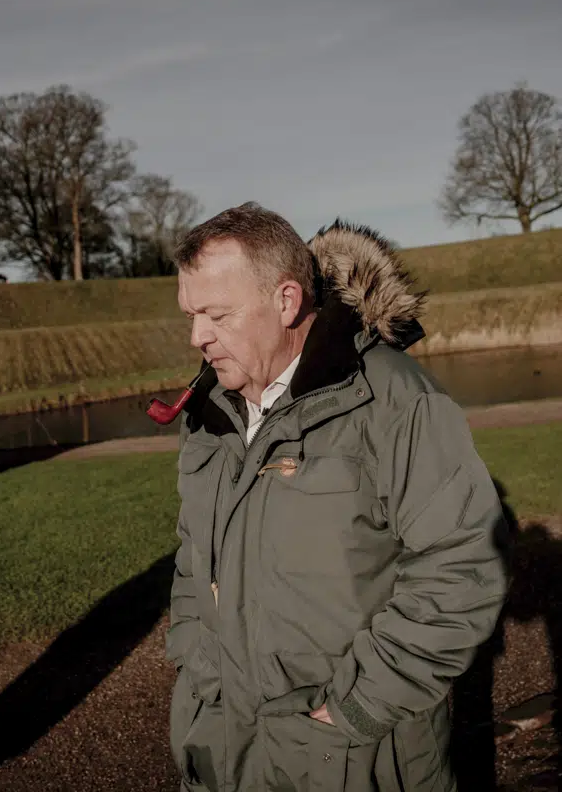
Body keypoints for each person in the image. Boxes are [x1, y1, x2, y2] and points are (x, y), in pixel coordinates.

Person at [167, 203, 509, 791]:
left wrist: (355, 706)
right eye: (191, 314)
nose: (198, 336)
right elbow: (192, 556)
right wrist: (195, 663)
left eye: (216, 314)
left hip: (351, 754)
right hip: (226, 746)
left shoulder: (393, 400)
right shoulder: (208, 412)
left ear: (286, 300)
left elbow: (462, 565)